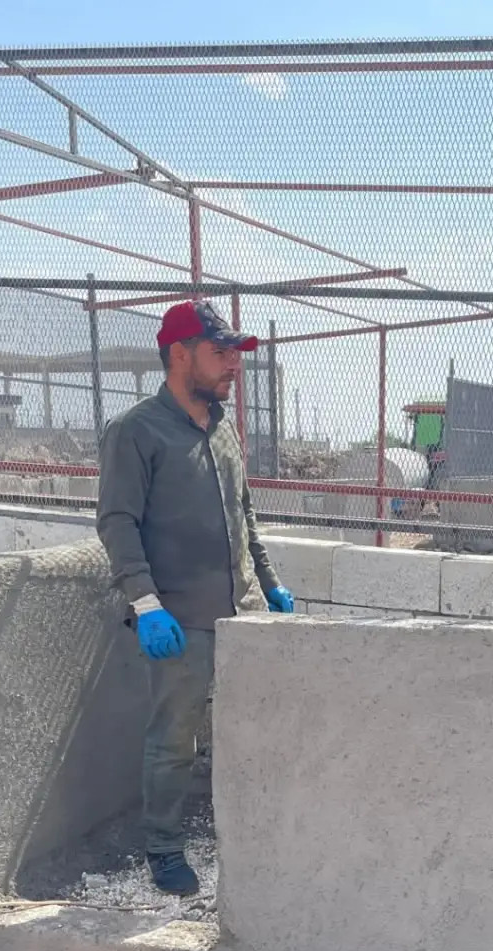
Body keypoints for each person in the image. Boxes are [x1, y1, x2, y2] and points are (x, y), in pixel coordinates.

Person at [97, 300, 296, 896]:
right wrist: (146, 604)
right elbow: (117, 522)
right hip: (179, 618)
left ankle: (257, 837)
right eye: (221, 352)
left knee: (252, 726)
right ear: (180, 355)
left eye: (237, 354)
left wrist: (268, 580)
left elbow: (244, 512)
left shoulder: (223, 427)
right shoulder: (136, 431)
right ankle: (164, 849)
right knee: (174, 740)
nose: (234, 365)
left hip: (243, 610)